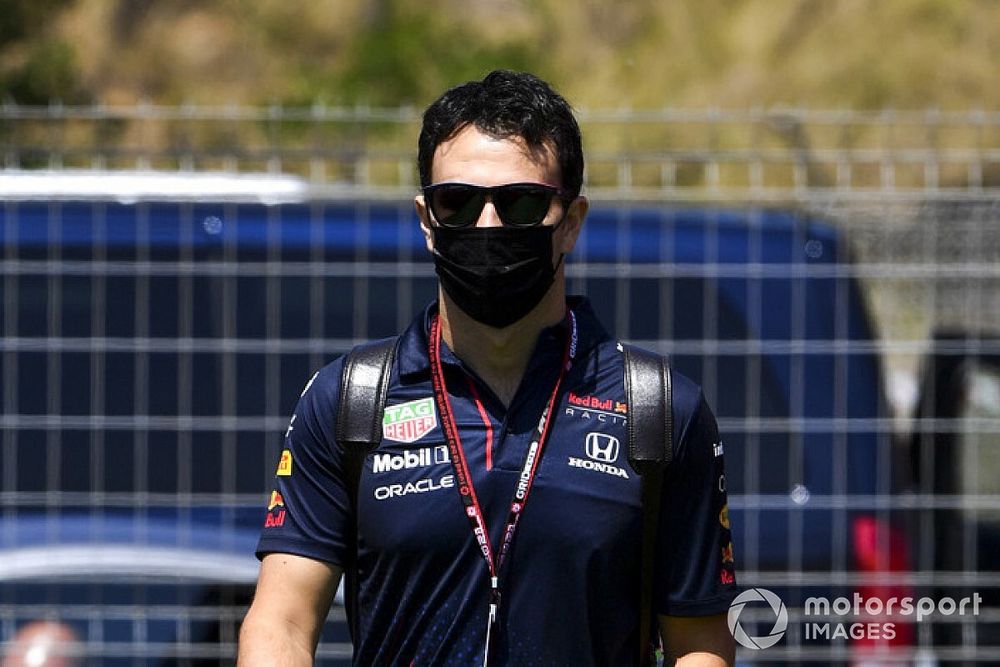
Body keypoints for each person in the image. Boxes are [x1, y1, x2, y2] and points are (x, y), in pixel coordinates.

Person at [239, 70, 737, 666]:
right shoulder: (349, 399)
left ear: (571, 222)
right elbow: (281, 626)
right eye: (458, 202)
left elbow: (700, 646)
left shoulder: (658, 409)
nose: (488, 225)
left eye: (522, 203)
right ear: (427, 220)